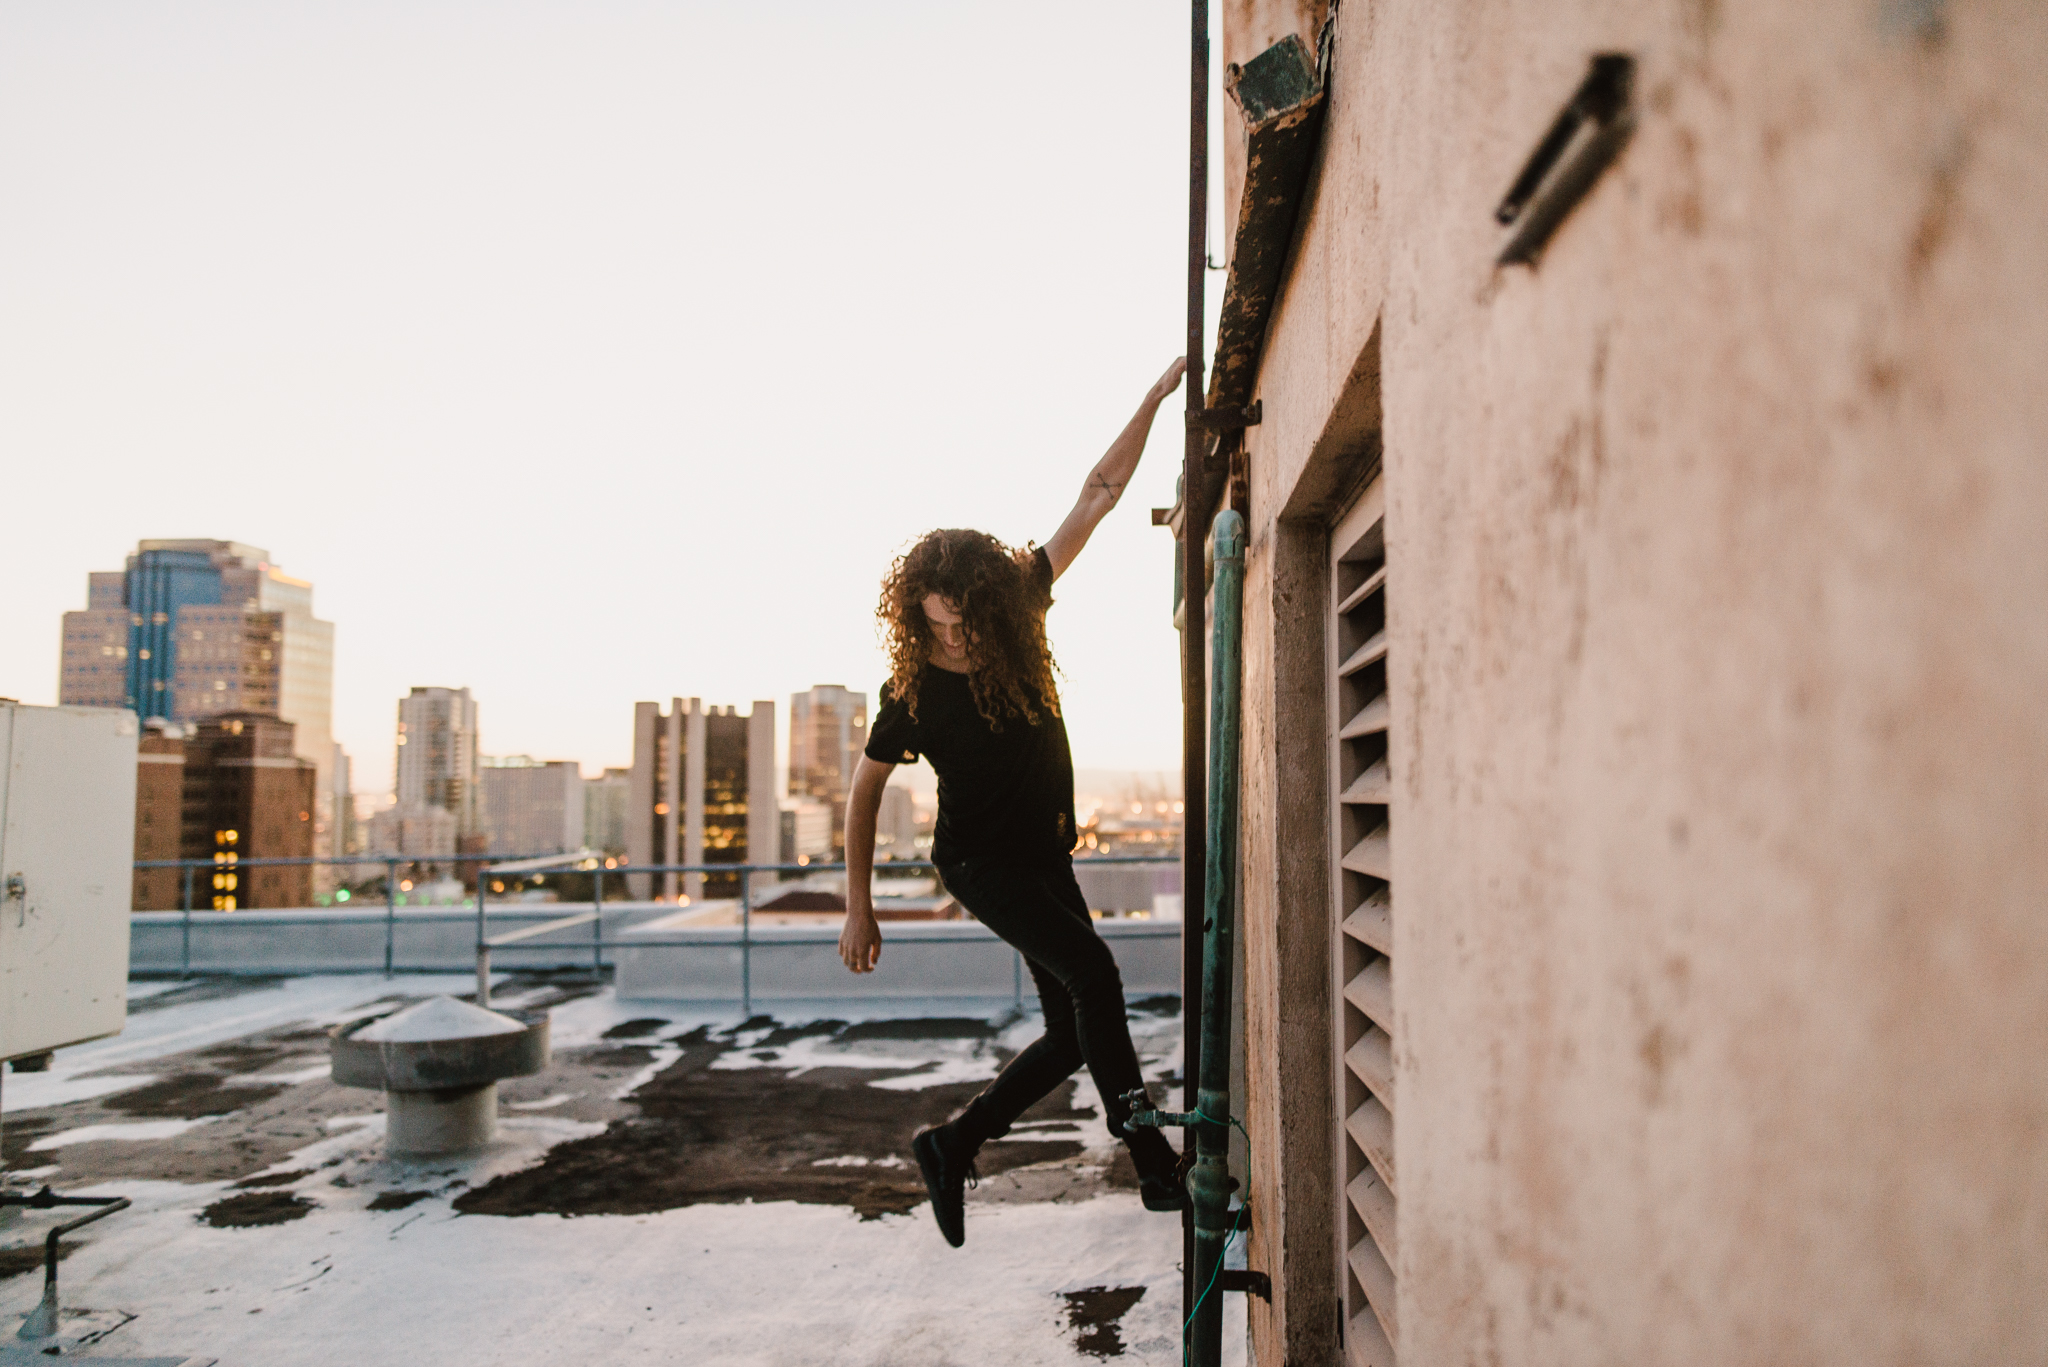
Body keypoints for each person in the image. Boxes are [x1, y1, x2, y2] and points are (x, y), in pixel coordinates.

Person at [837, 356, 1190, 1249]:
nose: (952, 625)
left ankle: (953, 1144)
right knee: (1096, 976)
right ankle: (1148, 1150)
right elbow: (865, 789)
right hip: (978, 864)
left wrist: (1149, 401)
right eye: (935, 612)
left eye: (963, 608)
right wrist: (859, 905)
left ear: (984, 595)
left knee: (1076, 1031)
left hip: (1041, 853)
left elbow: (1098, 493)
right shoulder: (910, 691)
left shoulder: (1021, 609)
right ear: (913, 605)